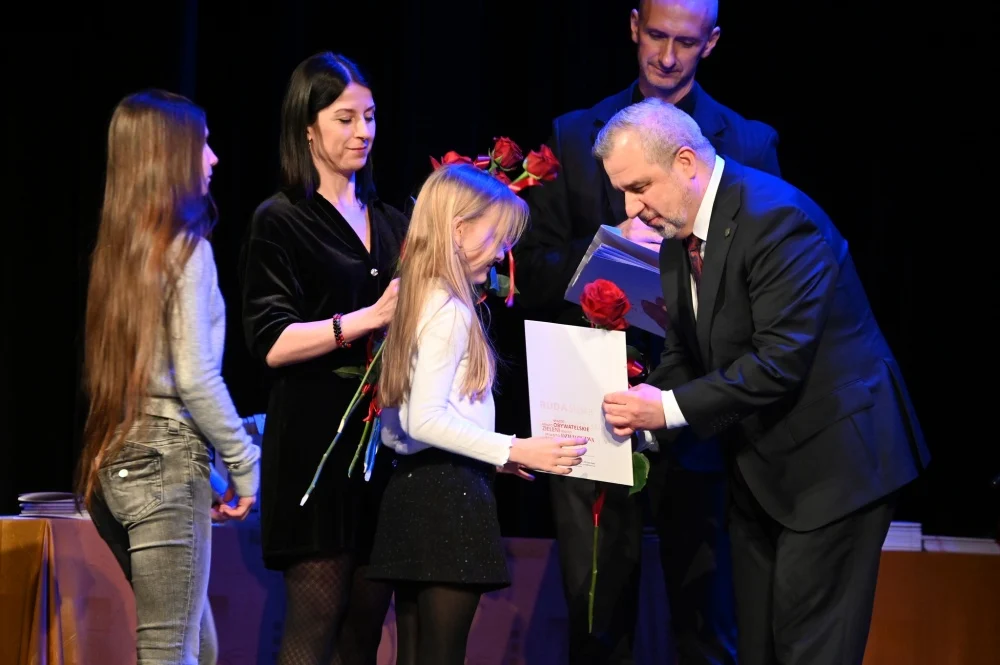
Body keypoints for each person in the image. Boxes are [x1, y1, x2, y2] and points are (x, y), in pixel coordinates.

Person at [597, 98, 930, 665]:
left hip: (837, 467)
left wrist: (668, 408)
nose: (631, 208)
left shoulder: (776, 219)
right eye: (621, 191)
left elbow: (779, 361)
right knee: (757, 649)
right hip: (761, 472)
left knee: (810, 649)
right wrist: (637, 413)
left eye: (640, 187)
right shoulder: (679, 232)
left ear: (685, 162)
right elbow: (686, 351)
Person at [511, 1, 780, 662]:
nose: (666, 56)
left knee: (708, 621)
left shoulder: (747, 143)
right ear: (633, 26)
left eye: (685, 42)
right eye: (656, 35)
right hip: (594, 399)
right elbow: (530, 272)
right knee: (597, 618)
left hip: (701, 403)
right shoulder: (575, 135)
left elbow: (766, 284)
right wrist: (611, 246)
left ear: (711, 42)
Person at [365, 164, 588, 665]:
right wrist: (512, 447)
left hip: (412, 493)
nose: (502, 251)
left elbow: (403, 425)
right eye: (495, 237)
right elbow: (424, 419)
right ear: (459, 230)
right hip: (448, 501)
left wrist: (489, 455)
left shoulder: (418, 300)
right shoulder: (448, 310)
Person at [78, 89, 261, 665]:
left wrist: (210, 475)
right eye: (202, 144)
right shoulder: (187, 249)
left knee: (197, 648)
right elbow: (196, 377)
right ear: (170, 155)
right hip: (161, 464)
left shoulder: (122, 253)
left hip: (116, 461)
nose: (214, 158)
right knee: (170, 653)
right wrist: (244, 463)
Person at [238, 52, 407, 665]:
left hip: (381, 451)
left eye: (370, 117)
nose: (363, 132)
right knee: (313, 629)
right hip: (313, 449)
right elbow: (271, 341)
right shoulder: (281, 220)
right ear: (308, 127)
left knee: (363, 635)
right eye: (345, 118)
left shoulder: (392, 220)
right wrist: (367, 318)